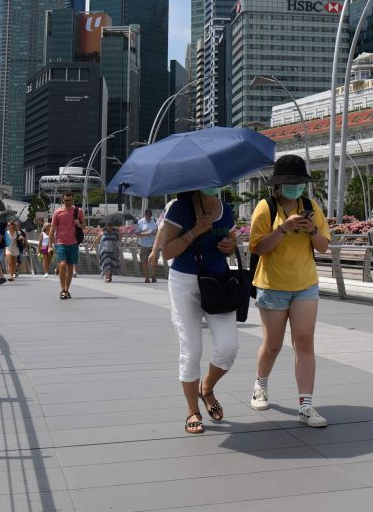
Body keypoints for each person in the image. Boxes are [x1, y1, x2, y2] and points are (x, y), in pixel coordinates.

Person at [248, 155, 330, 428]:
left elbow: (323, 246)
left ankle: (306, 405)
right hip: (273, 285)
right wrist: (283, 228)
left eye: (299, 183)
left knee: (304, 342)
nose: (295, 188)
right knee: (272, 345)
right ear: (278, 185)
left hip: (305, 283)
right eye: (290, 183)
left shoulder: (311, 206)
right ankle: (260, 384)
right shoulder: (265, 208)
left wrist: (312, 229)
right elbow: (258, 248)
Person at [150, 186, 239, 434]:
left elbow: (234, 242)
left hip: (218, 283)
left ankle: (206, 388)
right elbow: (166, 253)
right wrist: (194, 232)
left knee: (228, 348)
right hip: (184, 283)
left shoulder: (225, 210)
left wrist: (229, 246)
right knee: (191, 350)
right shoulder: (180, 208)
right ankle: (193, 410)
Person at [49, 194, 85, 299]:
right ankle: (62, 289)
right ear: (62, 200)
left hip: (73, 243)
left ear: (72, 200)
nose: (68, 202)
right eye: (66, 200)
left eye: (69, 200)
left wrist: (79, 224)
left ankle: (66, 289)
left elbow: (84, 225)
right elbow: (52, 230)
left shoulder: (78, 211)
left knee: (70, 268)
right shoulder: (57, 212)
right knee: (62, 265)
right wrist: (50, 246)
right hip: (61, 243)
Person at [136, 208, 159, 283]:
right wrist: (147, 233)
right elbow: (137, 233)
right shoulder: (140, 222)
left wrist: (154, 232)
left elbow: (158, 231)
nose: (149, 217)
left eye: (150, 215)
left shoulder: (154, 220)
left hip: (153, 244)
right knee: (144, 261)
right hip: (144, 244)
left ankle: (153, 274)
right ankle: (146, 277)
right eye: (148, 215)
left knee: (155, 259)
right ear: (145, 215)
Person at [98, 214, 122, 282]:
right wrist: (91, 247)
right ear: (106, 225)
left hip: (114, 251)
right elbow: (97, 239)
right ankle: (107, 278)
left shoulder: (116, 231)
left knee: (112, 265)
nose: (110, 227)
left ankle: (109, 276)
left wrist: (120, 234)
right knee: (106, 263)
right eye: (108, 225)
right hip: (104, 251)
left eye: (111, 225)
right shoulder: (102, 231)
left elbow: (119, 239)